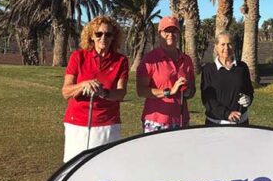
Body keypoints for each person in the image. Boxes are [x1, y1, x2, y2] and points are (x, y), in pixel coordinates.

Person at [61, 15, 128, 162]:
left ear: (113, 37)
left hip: (107, 124)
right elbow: (66, 92)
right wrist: (83, 85)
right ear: (91, 36)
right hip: (77, 123)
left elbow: (121, 93)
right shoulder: (78, 56)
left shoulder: (121, 60)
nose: (103, 38)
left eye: (108, 34)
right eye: (99, 34)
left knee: (105, 167)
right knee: (74, 168)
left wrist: (104, 92)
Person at [136, 16, 196, 132]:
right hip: (157, 121)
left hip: (182, 120)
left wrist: (188, 91)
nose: (171, 34)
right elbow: (141, 91)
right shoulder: (150, 59)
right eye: (166, 31)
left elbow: (192, 90)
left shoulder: (186, 59)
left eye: (174, 31)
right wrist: (170, 91)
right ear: (159, 33)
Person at [201, 31, 253, 126]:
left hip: (241, 123)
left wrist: (248, 99)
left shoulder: (242, 67)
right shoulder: (208, 70)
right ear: (216, 46)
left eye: (229, 44)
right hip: (216, 124)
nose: (226, 48)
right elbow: (207, 99)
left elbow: (249, 90)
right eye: (222, 44)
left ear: (234, 46)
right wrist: (227, 114)